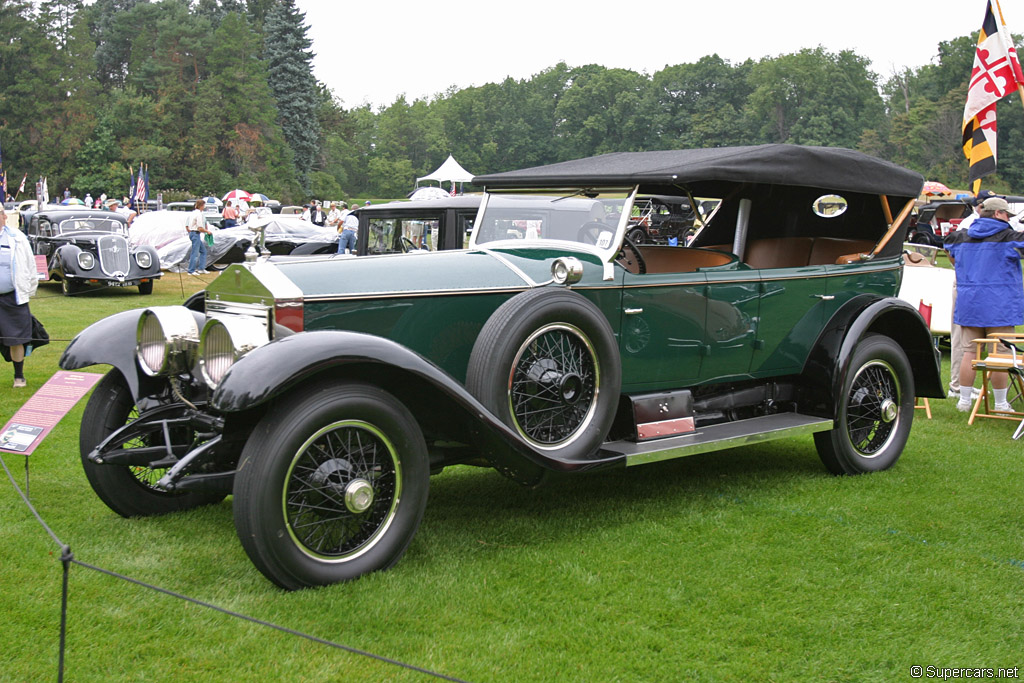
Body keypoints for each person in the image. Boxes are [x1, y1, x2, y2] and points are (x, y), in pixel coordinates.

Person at [944, 196, 1024, 412]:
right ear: (998, 214)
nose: (1009, 219)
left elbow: (948, 247)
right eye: (1007, 214)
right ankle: (1000, 403)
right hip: (1000, 306)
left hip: (970, 304)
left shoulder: (960, 237)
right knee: (1000, 355)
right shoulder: (1009, 238)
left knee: (969, 353)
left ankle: (964, 402)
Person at [947, 190, 995, 398]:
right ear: (979, 206)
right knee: (962, 336)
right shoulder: (968, 225)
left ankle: (966, 385)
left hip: (982, 284)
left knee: (976, 338)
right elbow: (951, 253)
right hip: (967, 283)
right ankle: (957, 386)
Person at [0, 206, 39, 388]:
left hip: (12, 297)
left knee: (17, 338)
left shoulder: (17, 238)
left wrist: (29, 290)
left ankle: (19, 377)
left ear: (4, 216)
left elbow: (30, 264)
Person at [186, 199, 211, 275]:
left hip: (193, 233)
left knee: (203, 251)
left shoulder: (192, 213)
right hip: (195, 233)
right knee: (195, 253)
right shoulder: (199, 214)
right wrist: (207, 231)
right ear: (202, 206)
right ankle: (191, 270)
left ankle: (201, 268)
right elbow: (200, 227)